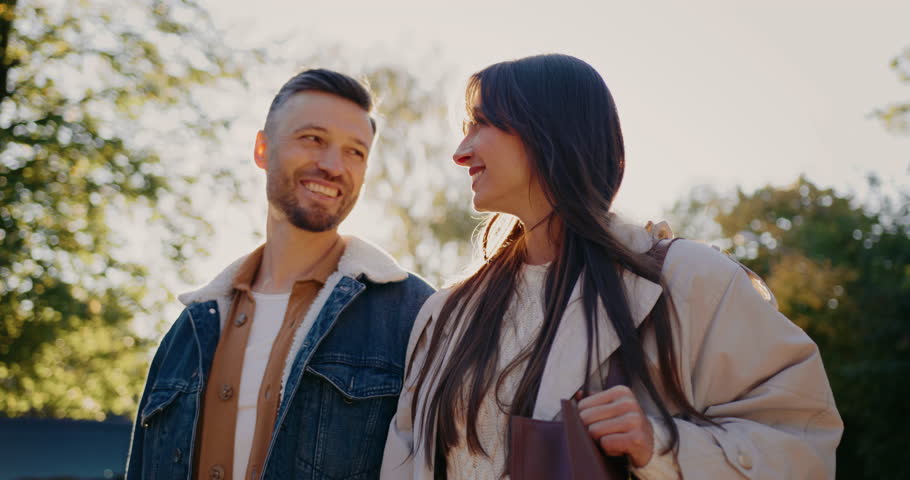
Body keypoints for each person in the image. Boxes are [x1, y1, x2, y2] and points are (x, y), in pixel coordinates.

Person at [380, 54, 842, 479]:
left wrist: (659, 444)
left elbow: (802, 445)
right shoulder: (445, 315)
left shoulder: (688, 280)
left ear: (548, 130)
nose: (460, 152)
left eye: (480, 123)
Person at [125, 69, 435, 480]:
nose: (332, 166)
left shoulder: (412, 315)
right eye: (313, 139)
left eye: (355, 152)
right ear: (262, 148)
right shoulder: (189, 330)